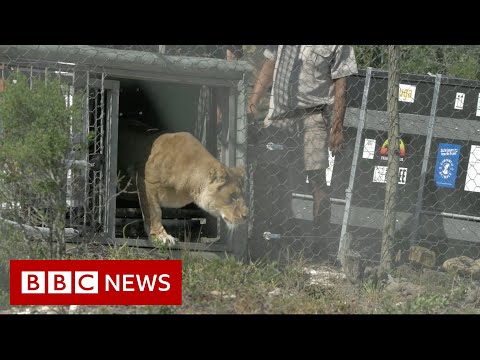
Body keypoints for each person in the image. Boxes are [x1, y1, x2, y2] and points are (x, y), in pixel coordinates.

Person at [247, 45, 358, 251]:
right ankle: (260, 234)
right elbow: (269, 64)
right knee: (266, 172)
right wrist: (252, 104)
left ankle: (319, 243)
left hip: (314, 116)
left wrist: (337, 127)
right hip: (280, 113)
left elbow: (342, 83)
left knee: (317, 180)